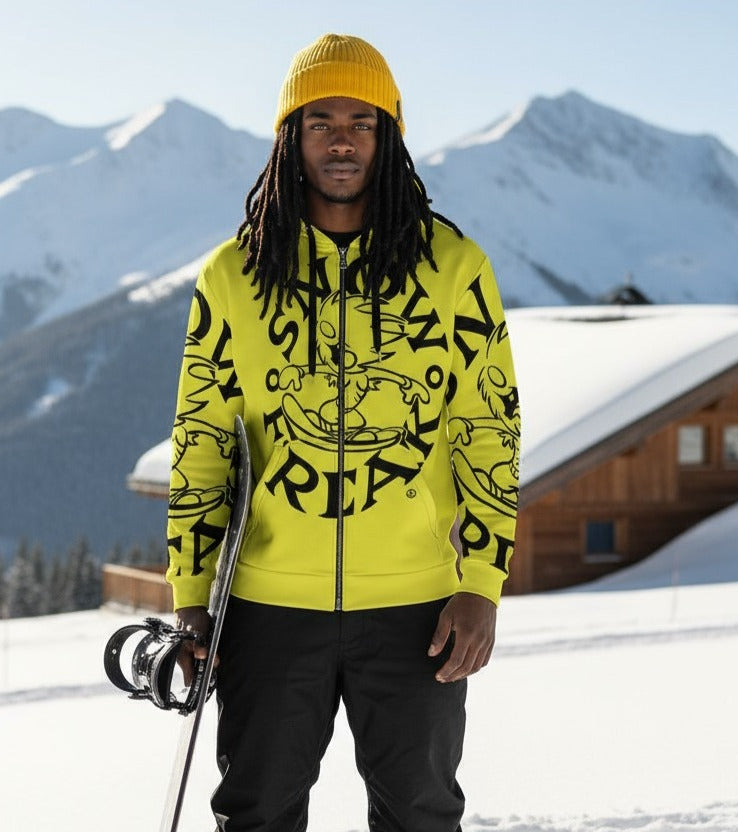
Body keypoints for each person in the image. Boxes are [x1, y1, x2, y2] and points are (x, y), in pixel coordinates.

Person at [166, 33, 520, 832]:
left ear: (388, 136)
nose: (341, 141)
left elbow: (487, 429)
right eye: (320, 121)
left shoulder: (453, 267)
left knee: (421, 817)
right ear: (289, 137)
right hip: (266, 608)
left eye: (361, 122)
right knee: (256, 816)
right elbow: (202, 441)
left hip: (418, 608)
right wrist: (192, 598)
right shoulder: (234, 275)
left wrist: (481, 583)